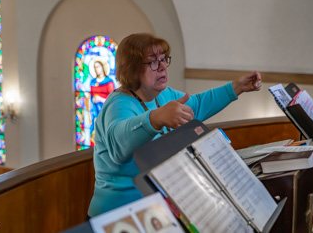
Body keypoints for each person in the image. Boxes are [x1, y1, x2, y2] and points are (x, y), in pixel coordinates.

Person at [87, 33, 262, 217]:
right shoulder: (118, 105)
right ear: (132, 68)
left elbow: (199, 104)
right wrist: (155, 119)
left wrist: (237, 87)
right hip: (117, 216)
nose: (162, 66)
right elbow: (119, 146)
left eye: (163, 59)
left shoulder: (162, 96)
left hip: (154, 210)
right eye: (153, 62)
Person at [89, 58, 115, 143]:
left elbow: (113, 98)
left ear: (103, 67)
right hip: (94, 111)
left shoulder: (109, 82)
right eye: (95, 67)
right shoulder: (93, 82)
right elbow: (90, 96)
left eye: (98, 67)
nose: (96, 69)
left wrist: (100, 99)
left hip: (106, 110)